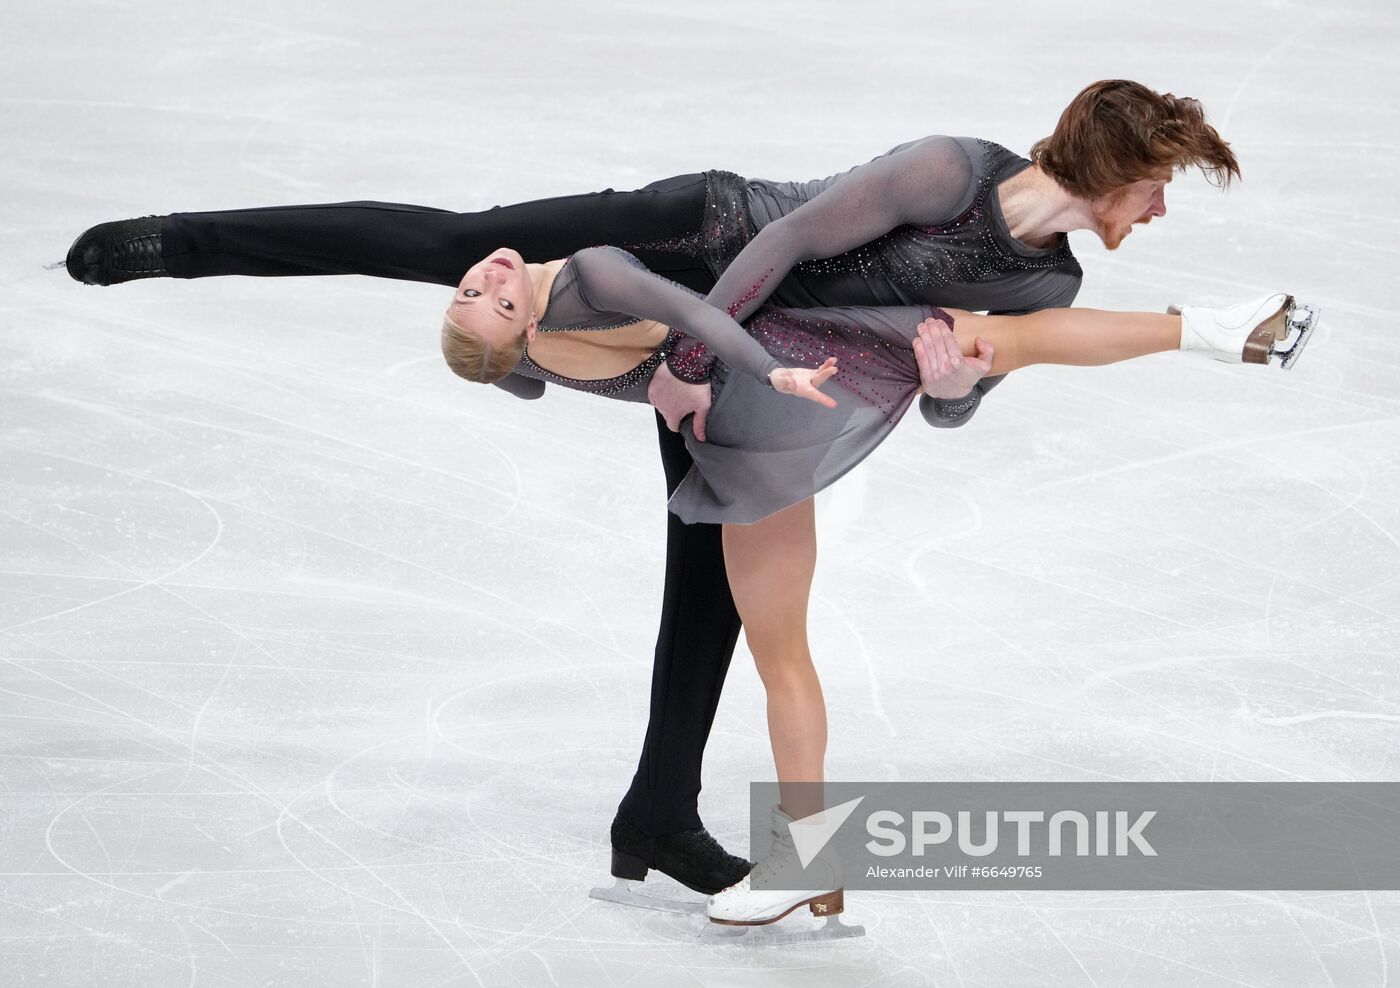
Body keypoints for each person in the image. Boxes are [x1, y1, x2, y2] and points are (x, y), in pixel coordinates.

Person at [64, 80, 1244, 903]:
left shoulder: (1043, 280)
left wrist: (947, 391)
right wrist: (684, 361)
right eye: (1159, 185)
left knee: (710, 575)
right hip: (697, 244)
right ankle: (181, 240)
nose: (1158, 208)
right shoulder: (948, 170)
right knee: (457, 241)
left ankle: (656, 816)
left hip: (747, 348)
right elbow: (779, 248)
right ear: (1116, 171)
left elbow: (957, 385)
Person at [436, 240, 1314, 930]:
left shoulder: (538, 350)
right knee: (995, 344)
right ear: (527, 336)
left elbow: (533, 371)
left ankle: (808, 863)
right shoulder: (581, 285)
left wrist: (576, 363)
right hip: (775, 387)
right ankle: (1209, 331)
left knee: (785, 655)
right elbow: (690, 317)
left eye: (472, 291)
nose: (488, 279)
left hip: (777, 403)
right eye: (495, 302)